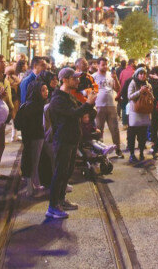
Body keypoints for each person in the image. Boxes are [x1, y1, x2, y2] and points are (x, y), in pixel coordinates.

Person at [46, 68, 97, 219]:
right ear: (65, 80)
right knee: (60, 173)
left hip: (72, 139)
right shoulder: (58, 99)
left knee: (67, 172)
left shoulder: (69, 96)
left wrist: (89, 104)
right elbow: (74, 113)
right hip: (63, 139)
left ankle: (61, 200)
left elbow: (83, 112)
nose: (78, 81)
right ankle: (52, 206)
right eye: (74, 79)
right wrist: (88, 104)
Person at [17, 81, 48, 197]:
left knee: (35, 161)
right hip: (34, 137)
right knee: (33, 162)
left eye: (46, 89)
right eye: (43, 90)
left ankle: (34, 184)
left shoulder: (32, 104)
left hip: (34, 137)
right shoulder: (34, 106)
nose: (46, 92)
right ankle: (30, 187)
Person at [92, 57, 123, 158]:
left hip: (111, 105)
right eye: (103, 65)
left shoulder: (111, 76)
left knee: (114, 129)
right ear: (97, 65)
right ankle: (99, 150)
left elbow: (118, 89)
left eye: (106, 64)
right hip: (98, 106)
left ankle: (118, 149)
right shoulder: (93, 77)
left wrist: (115, 78)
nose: (105, 66)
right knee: (99, 129)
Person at [127, 67, 153, 162]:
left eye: (144, 74)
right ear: (137, 75)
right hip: (134, 112)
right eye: (140, 74)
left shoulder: (148, 85)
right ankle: (132, 154)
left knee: (142, 134)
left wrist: (149, 93)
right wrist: (140, 91)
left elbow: (152, 97)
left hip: (145, 112)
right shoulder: (133, 83)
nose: (142, 76)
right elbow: (129, 96)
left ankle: (141, 152)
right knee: (132, 134)